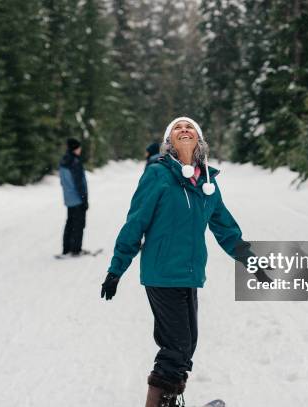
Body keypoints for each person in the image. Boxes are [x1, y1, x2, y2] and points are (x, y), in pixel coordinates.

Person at [101, 117, 254, 407]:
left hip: (190, 274)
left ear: (199, 139)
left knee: (186, 345)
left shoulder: (207, 181)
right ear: (169, 140)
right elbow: (135, 223)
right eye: (177, 128)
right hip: (162, 273)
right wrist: (116, 269)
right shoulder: (157, 174)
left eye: (190, 127)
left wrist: (248, 259)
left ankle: (168, 402)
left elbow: (224, 226)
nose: (184, 130)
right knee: (176, 346)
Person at [58, 138, 88, 258]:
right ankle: (76, 249)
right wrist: (84, 199)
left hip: (69, 198)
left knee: (70, 223)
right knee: (79, 224)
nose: (80, 150)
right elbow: (79, 183)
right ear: (75, 148)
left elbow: (63, 181)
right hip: (77, 198)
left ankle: (66, 248)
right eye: (79, 147)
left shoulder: (64, 160)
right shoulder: (75, 162)